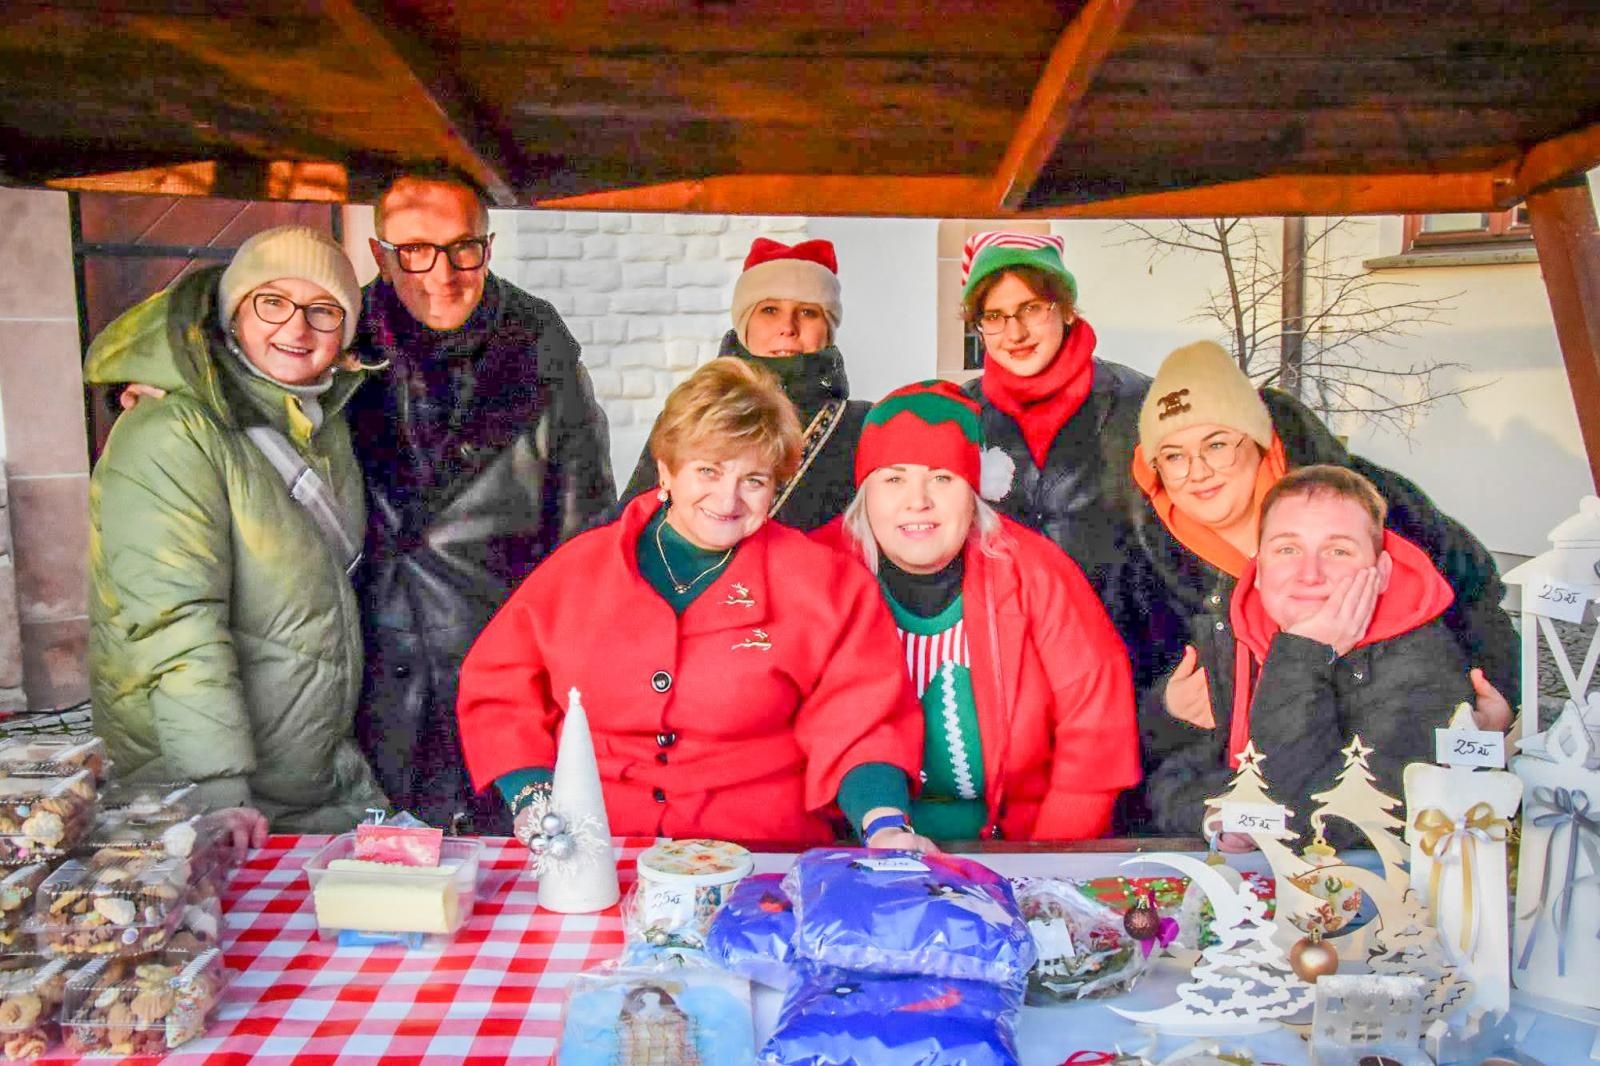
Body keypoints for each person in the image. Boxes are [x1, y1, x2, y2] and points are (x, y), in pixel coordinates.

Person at [957, 235, 1519, 708]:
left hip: (1130, 647)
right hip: (1014, 651)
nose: (1016, 331)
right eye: (995, 316)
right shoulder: (962, 415)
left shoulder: (1144, 404)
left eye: (1033, 308)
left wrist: (1494, 693)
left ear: (1066, 308)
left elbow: (1453, 569)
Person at [456, 358, 930, 849]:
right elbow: (500, 688)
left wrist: (884, 824)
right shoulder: (577, 569)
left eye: (754, 480)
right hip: (594, 851)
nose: (728, 500)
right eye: (708, 470)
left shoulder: (828, 584)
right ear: (666, 471)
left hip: (762, 856)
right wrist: (532, 796)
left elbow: (862, 721)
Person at [87, 225, 385, 832]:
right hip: (217, 794)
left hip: (306, 780)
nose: (296, 329)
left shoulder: (322, 420)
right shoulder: (170, 433)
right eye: (271, 302)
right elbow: (174, 624)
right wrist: (216, 787)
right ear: (232, 315)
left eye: (323, 311)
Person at [348, 173, 616, 834]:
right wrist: (141, 381)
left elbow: (585, 539)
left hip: (499, 673)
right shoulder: (338, 335)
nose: (442, 274)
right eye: (415, 250)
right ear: (381, 254)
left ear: (488, 249)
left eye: (462, 248)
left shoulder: (541, 353)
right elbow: (232, 337)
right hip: (362, 680)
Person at [1130, 340, 1515, 782]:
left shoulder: (1362, 498)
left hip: (1388, 767)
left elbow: (1477, 596)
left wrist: (1495, 699)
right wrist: (1166, 713)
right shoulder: (1148, 555)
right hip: (1238, 803)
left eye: (1217, 445)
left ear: (1259, 441)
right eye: (1174, 456)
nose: (1197, 471)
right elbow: (1133, 693)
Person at [816, 381, 1140, 841]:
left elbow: (1095, 737)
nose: (917, 501)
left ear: (975, 490)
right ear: (864, 492)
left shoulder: (1037, 573)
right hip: (853, 845)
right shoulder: (818, 572)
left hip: (1013, 847)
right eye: (893, 478)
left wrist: (1041, 871)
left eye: (942, 478)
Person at [1144, 465, 1478, 846]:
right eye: (1287, 549)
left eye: (1338, 551)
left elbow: (1339, 818)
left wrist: (1302, 652)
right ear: (1259, 567)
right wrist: (1217, 817)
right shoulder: (1231, 636)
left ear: (1382, 572)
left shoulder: (1422, 659)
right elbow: (1169, 778)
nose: (1310, 574)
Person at [621, 237, 866, 530]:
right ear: (744, 323)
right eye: (770, 310)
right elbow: (634, 518)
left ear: (828, 329)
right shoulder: (692, 414)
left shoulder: (861, 424)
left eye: (807, 312)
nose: (788, 328)